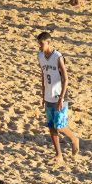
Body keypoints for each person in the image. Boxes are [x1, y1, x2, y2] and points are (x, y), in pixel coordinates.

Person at [36, 31, 79, 163]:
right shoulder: (40, 56)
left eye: (41, 44)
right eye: (38, 44)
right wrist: (43, 95)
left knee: (59, 125)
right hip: (48, 95)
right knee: (51, 126)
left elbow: (66, 79)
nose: (39, 46)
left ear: (49, 43)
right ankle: (59, 155)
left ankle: (74, 139)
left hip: (60, 95)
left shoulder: (58, 57)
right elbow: (43, 76)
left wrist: (61, 98)